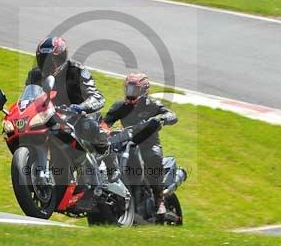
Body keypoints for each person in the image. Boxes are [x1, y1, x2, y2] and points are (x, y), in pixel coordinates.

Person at [103, 73, 177, 218]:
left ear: (144, 91)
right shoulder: (120, 106)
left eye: (134, 90)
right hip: (126, 143)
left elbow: (172, 115)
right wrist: (105, 131)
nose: (130, 93)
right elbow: (105, 122)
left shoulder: (152, 105)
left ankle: (159, 199)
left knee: (153, 158)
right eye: (128, 89)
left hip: (148, 144)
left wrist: (161, 118)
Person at [26, 36, 105, 115]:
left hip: (78, 118)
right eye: (43, 60)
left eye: (52, 60)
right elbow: (28, 99)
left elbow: (98, 98)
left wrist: (79, 108)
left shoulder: (77, 71)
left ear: (62, 58)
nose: (48, 65)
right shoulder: (35, 74)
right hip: (47, 118)